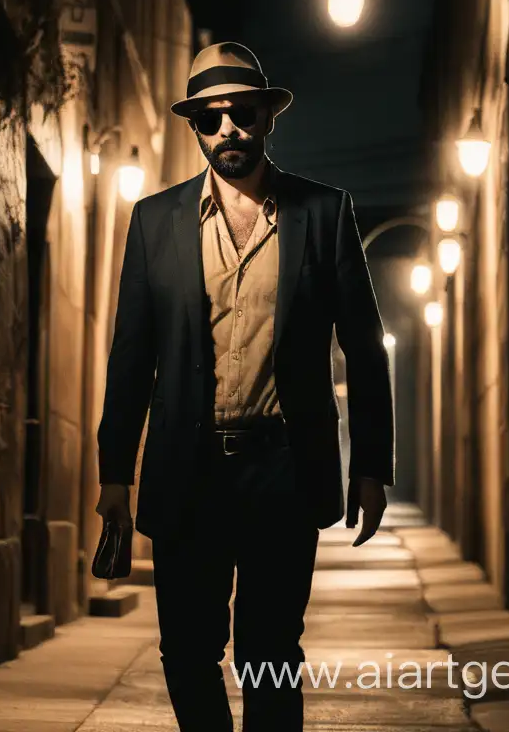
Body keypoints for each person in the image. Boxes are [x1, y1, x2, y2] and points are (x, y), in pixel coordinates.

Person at [96, 41, 395, 732]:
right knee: (188, 651)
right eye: (210, 118)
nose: (227, 129)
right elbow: (131, 354)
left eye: (242, 114)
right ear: (196, 128)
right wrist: (115, 471)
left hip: (284, 469)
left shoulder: (323, 213)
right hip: (186, 467)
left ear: (266, 118)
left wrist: (372, 468)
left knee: (270, 654)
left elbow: (363, 344)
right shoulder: (154, 221)